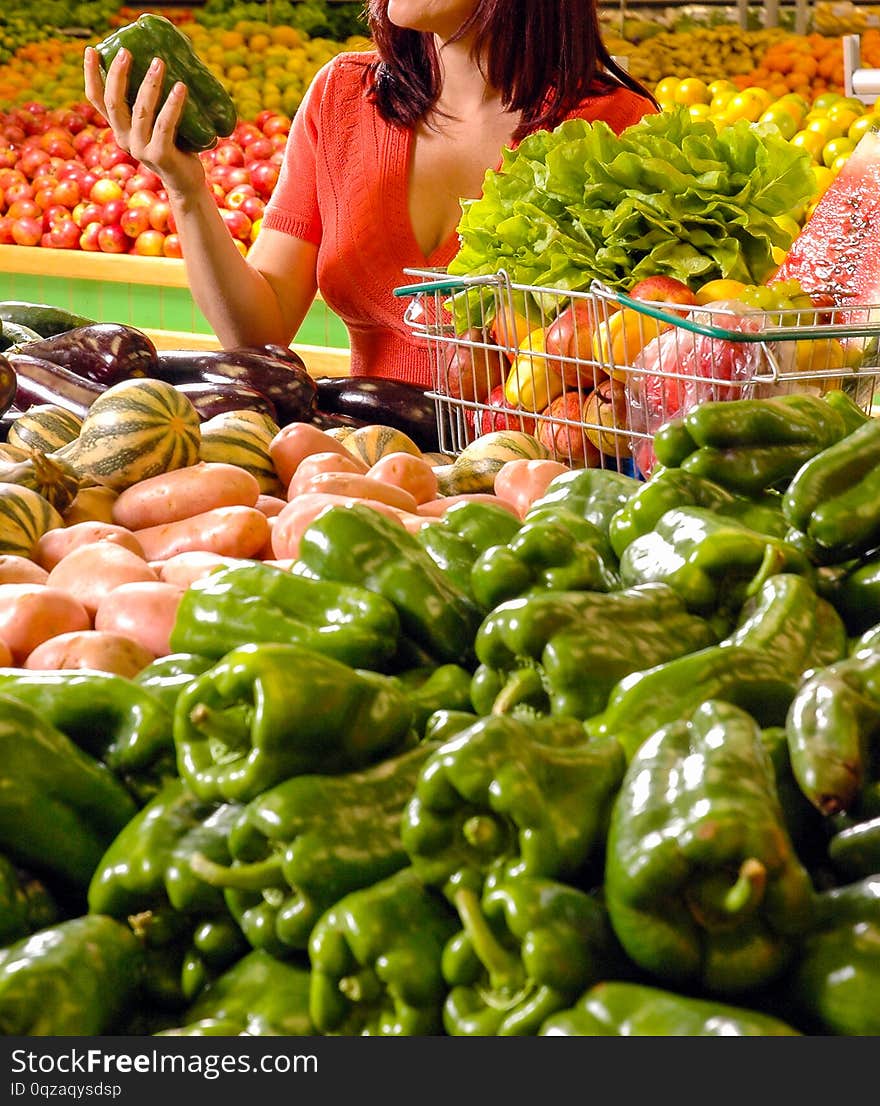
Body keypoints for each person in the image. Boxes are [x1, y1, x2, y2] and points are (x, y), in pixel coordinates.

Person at [83, 1, 656, 387]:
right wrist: (186, 189)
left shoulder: (617, 129)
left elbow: (638, 363)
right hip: (371, 475)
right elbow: (259, 332)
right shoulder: (343, 97)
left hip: (538, 490)